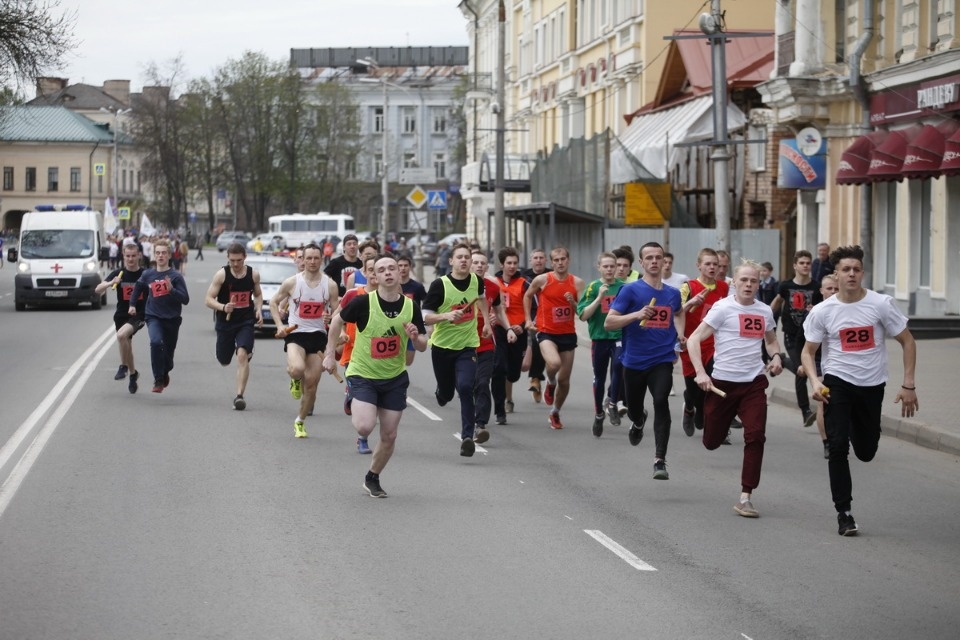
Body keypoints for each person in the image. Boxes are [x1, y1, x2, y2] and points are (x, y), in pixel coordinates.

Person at [801, 245, 918, 537]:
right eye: (845, 269)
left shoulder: (881, 304)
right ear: (836, 274)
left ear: (862, 273)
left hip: (872, 385)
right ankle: (845, 512)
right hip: (838, 382)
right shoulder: (823, 311)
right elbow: (808, 352)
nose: (851, 274)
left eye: (856, 269)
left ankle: (855, 424)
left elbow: (908, 341)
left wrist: (908, 385)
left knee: (866, 452)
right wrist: (815, 381)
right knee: (838, 447)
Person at [323, 254, 428, 498]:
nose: (389, 272)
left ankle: (372, 477)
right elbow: (337, 321)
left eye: (392, 268)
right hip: (363, 374)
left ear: (399, 273)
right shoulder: (363, 303)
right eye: (382, 270)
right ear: (375, 276)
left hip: (394, 377)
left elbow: (423, 345)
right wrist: (330, 354)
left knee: (389, 435)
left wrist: (415, 338)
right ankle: (353, 397)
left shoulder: (411, 306)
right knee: (364, 426)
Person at [686, 260, 783, 517]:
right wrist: (700, 372)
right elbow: (694, 339)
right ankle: (712, 422)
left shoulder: (764, 311)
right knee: (711, 442)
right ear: (734, 283)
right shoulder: (722, 308)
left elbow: (771, 341)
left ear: (759, 284)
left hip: (752, 384)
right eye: (744, 280)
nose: (749, 285)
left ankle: (745, 496)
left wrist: (775, 357)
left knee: (755, 435)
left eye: (754, 281)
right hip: (722, 385)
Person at [605, 243, 684, 478]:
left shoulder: (672, 293)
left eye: (658, 257)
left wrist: (680, 333)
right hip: (634, 361)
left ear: (663, 261)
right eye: (649, 258)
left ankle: (660, 460)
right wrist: (637, 315)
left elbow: (679, 312)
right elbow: (610, 322)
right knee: (635, 409)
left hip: (661, 360)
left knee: (661, 400)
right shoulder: (630, 291)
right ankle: (638, 422)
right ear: (641, 263)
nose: (654, 261)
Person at [423, 242, 492, 457]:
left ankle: (467, 437)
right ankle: (441, 392)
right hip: (442, 347)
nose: (464, 260)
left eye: (467, 257)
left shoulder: (476, 281)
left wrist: (487, 323)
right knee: (446, 394)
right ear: (450, 261)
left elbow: (481, 299)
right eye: (459, 257)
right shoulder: (439, 285)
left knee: (465, 387)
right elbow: (424, 317)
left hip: (467, 346)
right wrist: (446, 316)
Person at [270, 243, 339, 439]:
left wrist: (332, 317)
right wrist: (279, 326)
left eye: (316, 258)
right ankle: (294, 379)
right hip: (296, 334)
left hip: (317, 336)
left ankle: (300, 421)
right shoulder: (292, 282)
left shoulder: (330, 285)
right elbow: (274, 303)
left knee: (312, 385)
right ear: (303, 259)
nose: (312, 262)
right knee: (298, 369)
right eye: (308, 258)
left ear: (321, 259)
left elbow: (339, 309)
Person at [523, 246, 585, 430]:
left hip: (567, 334)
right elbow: (527, 296)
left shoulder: (577, 283)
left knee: (565, 380)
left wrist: (572, 302)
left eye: (563, 259)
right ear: (551, 263)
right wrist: (527, 319)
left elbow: (581, 312)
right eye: (556, 260)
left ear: (568, 260)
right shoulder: (542, 279)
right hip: (546, 331)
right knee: (555, 364)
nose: (560, 263)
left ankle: (555, 412)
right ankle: (550, 381)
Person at [204, 242, 263, 410]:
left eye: (239, 260)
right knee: (224, 360)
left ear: (245, 257)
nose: (236, 264)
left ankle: (239, 396)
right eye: (232, 261)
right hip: (225, 322)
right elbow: (208, 299)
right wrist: (223, 307)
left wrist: (258, 309)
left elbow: (258, 295)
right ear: (227, 259)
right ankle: (233, 353)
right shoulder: (221, 275)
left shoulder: (253, 275)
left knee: (242, 355)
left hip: (245, 321)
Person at [678, 249, 730, 437]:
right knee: (694, 391)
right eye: (707, 264)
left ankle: (710, 416)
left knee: (716, 380)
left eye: (715, 264)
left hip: (714, 345)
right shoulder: (688, 287)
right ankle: (690, 407)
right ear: (698, 265)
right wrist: (691, 302)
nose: (712, 267)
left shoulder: (724, 288)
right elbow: (676, 312)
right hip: (691, 344)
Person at [128, 239, 190, 393]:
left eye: (163, 253)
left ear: (169, 255)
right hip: (153, 316)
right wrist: (132, 304)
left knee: (168, 354)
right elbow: (138, 287)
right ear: (154, 256)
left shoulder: (176, 277)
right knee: (156, 342)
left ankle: (165, 370)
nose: (160, 256)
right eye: (157, 253)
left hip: (172, 319)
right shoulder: (148, 274)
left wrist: (172, 290)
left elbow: (186, 299)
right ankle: (158, 379)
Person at [577, 252, 626, 437]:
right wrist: (599, 298)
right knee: (599, 378)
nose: (609, 269)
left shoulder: (624, 288)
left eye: (612, 266)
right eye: (605, 266)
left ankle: (612, 403)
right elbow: (583, 315)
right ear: (599, 267)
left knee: (620, 366)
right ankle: (598, 414)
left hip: (619, 336)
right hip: (599, 338)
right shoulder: (592, 287)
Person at [335, 254, 379, 453]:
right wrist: (343, 332)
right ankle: (362, 438)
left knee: (375, 399)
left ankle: (363, 432)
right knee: (365, 397)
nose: (375, 275)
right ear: (366, 272)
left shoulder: (395, 295)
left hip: (380, 357)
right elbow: (337, 317)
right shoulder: (354, 295)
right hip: (353, 353)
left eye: (378, 270)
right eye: (371, 270)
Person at [770, 250, 818, 427]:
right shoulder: (785, 285)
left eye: (808, 263)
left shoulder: (816, 286)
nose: (805, 266)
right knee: (802, 370)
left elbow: (822, 309)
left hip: (810, 336)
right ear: (795, 265)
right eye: (802, 263)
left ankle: (783, 361)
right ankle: (805, 411)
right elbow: (777, 302)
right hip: (791, 334)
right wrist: (764, 317)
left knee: (802, 369)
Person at [472, 250, 513, 440]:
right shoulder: (457, 287)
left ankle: (480, 424)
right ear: (469, 265)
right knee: (467, 385)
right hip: (461, 343)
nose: (479, 266)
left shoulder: (493, 287)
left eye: (483, 263)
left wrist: (509, 328)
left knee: (482, 382)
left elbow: (499, 310)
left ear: (487, 267)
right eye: (476, 262)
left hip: (486, 342)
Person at [96, 242, 147, 393]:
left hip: (138, 314)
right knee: (127, 345)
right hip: (121, 315)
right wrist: (111, 282)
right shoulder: (119, 274)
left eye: (133, 256)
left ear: (139, 256)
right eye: (127, 256)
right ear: (123, 256)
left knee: (121, 335)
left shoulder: (145, 274)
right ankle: (133, 374)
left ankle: (123, 367)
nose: (130, 259)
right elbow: (98, 289)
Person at [799, 273, 840, 459]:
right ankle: (826, 443)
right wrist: (804, 365)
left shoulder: (848, 310)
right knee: (824, 403)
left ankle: (841, 435)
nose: (832, 292)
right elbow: (805, 344)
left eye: (836, 289)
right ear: (821, 290)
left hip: (840, 363)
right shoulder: (815, 312)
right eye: (829, 288)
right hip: (818, 362)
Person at [491, 247, 530, 422]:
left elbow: (534, 308)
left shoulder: (524, 283)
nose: (512, 266)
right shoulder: (493, 283)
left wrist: (523, 326)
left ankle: (508, 386)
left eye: (515, 263)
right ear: (502, 264)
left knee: (513, 374)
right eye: (509, 263)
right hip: (499, 330)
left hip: (518, 331)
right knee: (499, 368)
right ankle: (500, 412)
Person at [522, 248, 551, 403]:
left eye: (541, 257)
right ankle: (535, 378)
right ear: (530, 260)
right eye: (535, 258)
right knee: (536, 341)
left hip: (551, 315)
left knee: (551, 350)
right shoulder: (524, 276)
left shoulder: (551, 274)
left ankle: (540, 378)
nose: (538, 260)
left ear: (545, 260)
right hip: (532, 314)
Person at [396, 254, 427, 366]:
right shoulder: (391, 286)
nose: (403, 268)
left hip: (411, 327)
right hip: (396, 327)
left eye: (405, 265)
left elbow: (427, 302)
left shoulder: (417, 287)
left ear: (410, 267)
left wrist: (426, 318)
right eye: (400, 265)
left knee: (407, 362)